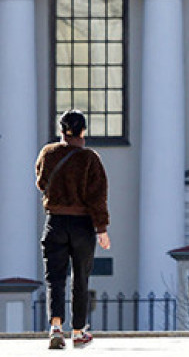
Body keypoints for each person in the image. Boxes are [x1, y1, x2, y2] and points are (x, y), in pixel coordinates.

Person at [35, 110, 110, 349]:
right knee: (81, 278)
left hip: (55, 221)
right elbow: (98, 196)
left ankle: (56, 328)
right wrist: (101, 229)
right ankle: (78, 332)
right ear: (83, 131)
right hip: (82, 225)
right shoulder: (90, 159)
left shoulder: (48, 153)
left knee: (54, 278)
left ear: (61, 130)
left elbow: (41, 182)